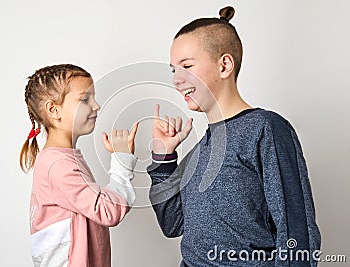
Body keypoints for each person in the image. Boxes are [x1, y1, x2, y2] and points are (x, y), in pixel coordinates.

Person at [147, 6, 321, 266]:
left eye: (187, 66)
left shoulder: (266, 129)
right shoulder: (202, 148)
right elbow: (173, 223)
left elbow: (297, 232)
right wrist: (164, 157)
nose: (177, 80)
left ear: (224, 65)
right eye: (174, 70)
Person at [19, 64, 139, 267]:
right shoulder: (58, 165)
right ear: (53, 110)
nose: (96, 105)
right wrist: (121, 161)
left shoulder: (61, 159)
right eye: (85, 99)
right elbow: (108, 210)